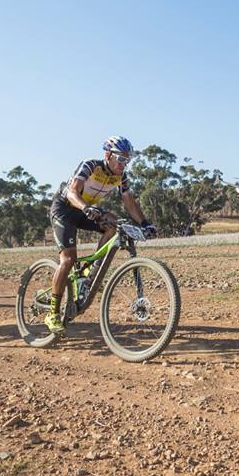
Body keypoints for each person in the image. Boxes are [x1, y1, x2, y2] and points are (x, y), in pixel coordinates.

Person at [44, 136, 155, 334]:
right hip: (65, 208)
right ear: (107, 155)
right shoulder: (90, 166)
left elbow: (129, 201)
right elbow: (71, 193)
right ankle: (53, 313)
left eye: (127, 160)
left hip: (86, 209)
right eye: (121, 159)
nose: (124, 164)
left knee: (114, 223)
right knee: (68, 259)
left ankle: (90, 271)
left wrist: (145, 223)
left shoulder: (121, 177)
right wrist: (86, 207)